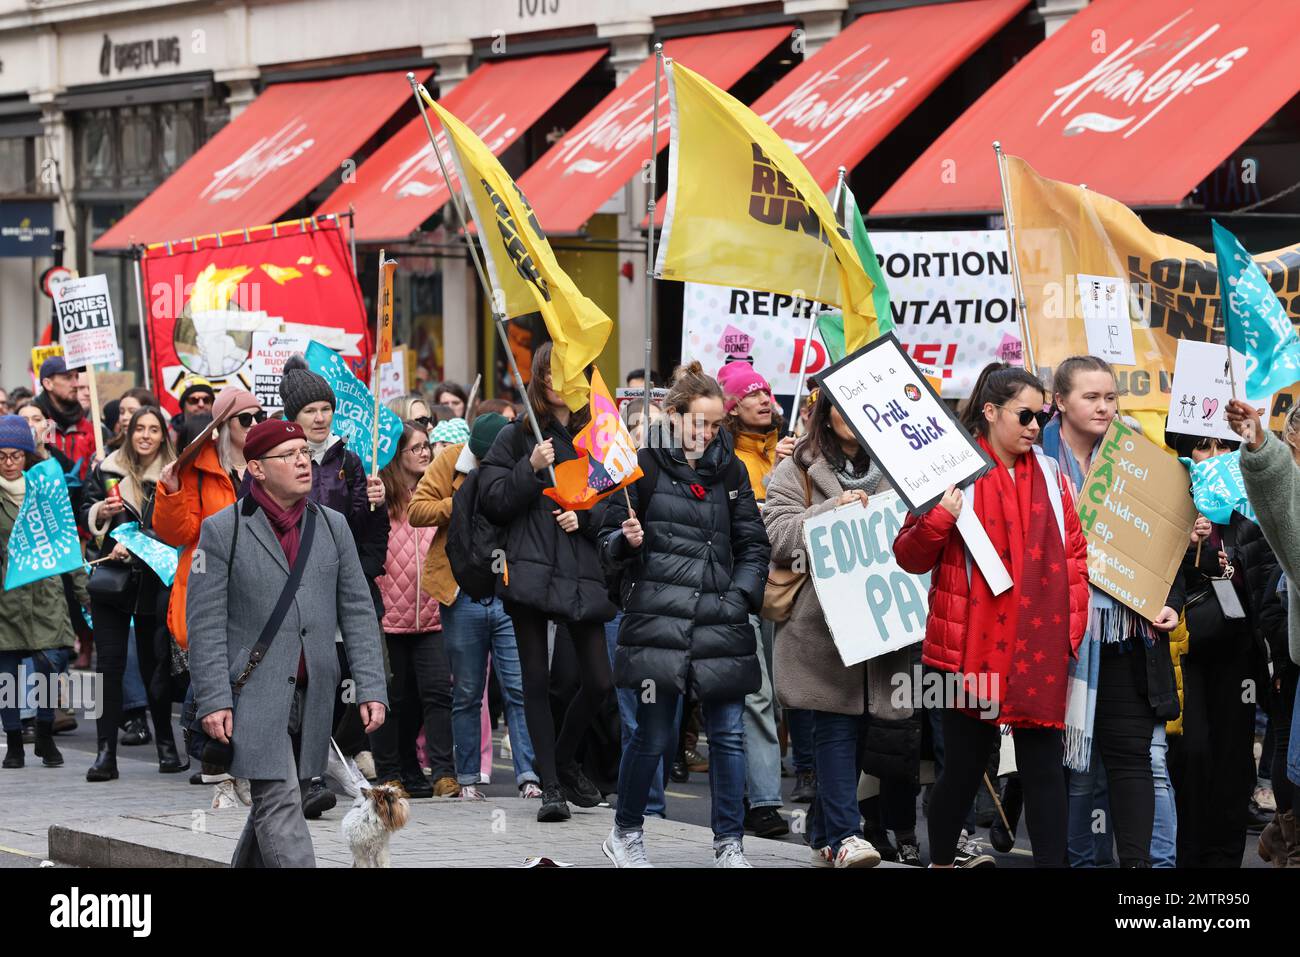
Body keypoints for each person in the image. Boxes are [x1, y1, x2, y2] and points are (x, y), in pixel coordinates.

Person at [894, 362, 1090, 867]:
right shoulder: (949, 471)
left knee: (1043, 767)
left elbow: (1074, 553)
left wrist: (1071, 627)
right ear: (990, 411)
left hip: (1038, 645)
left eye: (1040, 415)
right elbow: (909, 555)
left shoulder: (1050, 474)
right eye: (1025, 414)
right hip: (967, 649)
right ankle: (941, 861)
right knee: (962, 768)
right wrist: (940, 516)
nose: (1034, 425)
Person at [187, 419, 388, 867]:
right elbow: (203, 623)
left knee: (278, 800)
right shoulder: (223, 530)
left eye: (305, 452)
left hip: (314, 693)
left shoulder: (333, 526)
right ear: (256, 468)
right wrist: (214, 699)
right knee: (279, 799)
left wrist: (371, 685)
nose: (303, 461)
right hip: (252, 694)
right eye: (289, 454)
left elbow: (357, 608)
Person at [597, 362, 769, 867]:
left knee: (729, 736)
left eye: (716, 424)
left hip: (721, 621)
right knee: (653, 735)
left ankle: (729, 845)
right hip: (659, 621)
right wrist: (623, 542)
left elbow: (753, 546)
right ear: (673, 415)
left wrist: (739, 598)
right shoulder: (640, 464)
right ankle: (626, 833)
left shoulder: (732, 469)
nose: (708, 433)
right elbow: (606, 544)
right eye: (700, 422)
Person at [1039, 356, 1180, 867]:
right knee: (1075, 772)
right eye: (1091, 397)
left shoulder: (1137, 459)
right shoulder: (1034, 464)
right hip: (1059, 641)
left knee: (1133, 763)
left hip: (1129, 640)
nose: (1104, 407)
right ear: (1059, 401)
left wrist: (1169, 603)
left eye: (1110, 397)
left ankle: (1140, 871)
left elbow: (1167, 544)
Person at [477, 344, 616, 822]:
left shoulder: (597, 432)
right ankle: (552, 788)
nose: (558, 378)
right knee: (534, 681)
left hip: (580, 569)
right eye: (549, 371)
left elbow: (619, 499)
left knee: (598, 680)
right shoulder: (519, 435)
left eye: (568, 369)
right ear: (536, 378)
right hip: (531, 568)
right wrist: (530, 467)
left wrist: (589, 518)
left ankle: (563, 759)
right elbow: (492, 500)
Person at [763, 388, 900, 868]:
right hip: (819, 629)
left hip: (878, 624)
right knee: (835, 724)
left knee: (861, 727)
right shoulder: (796, 466)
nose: (850, 417)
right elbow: (777, 536)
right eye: (840, 405)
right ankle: (845, 835)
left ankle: (822, 830)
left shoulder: (898, 467)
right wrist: (830, 512)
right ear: (824, 411)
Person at [274, 357, 387, 815]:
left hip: (344, 588)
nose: (320, 419)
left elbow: (365, 529)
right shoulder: (278, 461)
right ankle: (307, 777)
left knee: (346, 679)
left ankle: (326, 760)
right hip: (295, 593)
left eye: (326, 409)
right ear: (293, 419)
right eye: (310, 412)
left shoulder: (350, 460)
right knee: (304, 682)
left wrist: (374, 503)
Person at [409, 411, 540, 800]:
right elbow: (418, 509)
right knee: (466, 691)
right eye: (482, 459)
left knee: (519, 689)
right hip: (461, 591)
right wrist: (460, 502)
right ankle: (467, 779)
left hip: (509, 594)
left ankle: (530, 776)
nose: (486, 465)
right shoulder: (450, 461)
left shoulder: (521, 464)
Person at [1164, 425, 1269, 867]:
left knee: (1234, 753)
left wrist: (1234, 555)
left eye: (1223, 445)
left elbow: (1269, 570)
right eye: (1203, 446)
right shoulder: (1172, 497)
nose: (1214, 454)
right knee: (1192, 751)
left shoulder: (1253, 500)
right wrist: (1193, 547)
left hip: (1239, 649)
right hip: (1186, 647)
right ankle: (1186, 850)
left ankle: (1224, 855)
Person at [80, 406, 185, 780]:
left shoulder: (175, 476)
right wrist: (100, 513)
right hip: (112, 581)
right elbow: (84, 517)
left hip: (154, 581)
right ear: (129, 434)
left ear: (162, 436)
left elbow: (181, 527)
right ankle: (105, 753)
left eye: (153, 429)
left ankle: (166, 747)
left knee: (154, 666)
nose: (145, 435)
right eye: (139, 429)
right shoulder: (106, 470)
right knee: (108, 668)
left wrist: (141, 545)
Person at [717, 360, 792, 837]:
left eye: (767, 391)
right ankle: (763, 802)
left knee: (782, 694)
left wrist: (792, 471)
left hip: (783, 590)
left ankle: (755, 791)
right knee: (756, 694)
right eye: (751, 393)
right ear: (731, 406)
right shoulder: (725, 456)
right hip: (740, 589)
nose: (765, 399)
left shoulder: (791, 452)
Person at [371, 420, 456, 798]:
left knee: (437, 693)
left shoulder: (436, 492)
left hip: (433, 613)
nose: (425, 453)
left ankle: (443, 773)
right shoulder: (380, 497)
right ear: (396, 455)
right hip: (390, 616)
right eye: (416, 448)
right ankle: (391, 772)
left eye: (427, 446)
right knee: (395, 698)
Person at [0, 416, 88, 770]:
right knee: (6, 673)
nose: (8, 463)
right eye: (1, 456)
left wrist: (83, 592)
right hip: (5, 597)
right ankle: (15, 743)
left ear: (25, 456)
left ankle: (46, 735)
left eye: (15, 455)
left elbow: (67, 544)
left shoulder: (46, 491)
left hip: (46, 594)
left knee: (50, 666)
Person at [1247, 403, 1300, 866]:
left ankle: (1281, 838)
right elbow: (1273, 582)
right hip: (1288, 649)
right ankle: (1289, 838)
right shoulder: (1282, 495)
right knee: (1287, 746)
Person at [34, 357, 96, 483]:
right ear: (48, 384)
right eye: (68, 377)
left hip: (81, 500)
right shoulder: (36, 424)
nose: (76, 384)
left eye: (76, 377)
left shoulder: (88, 428)